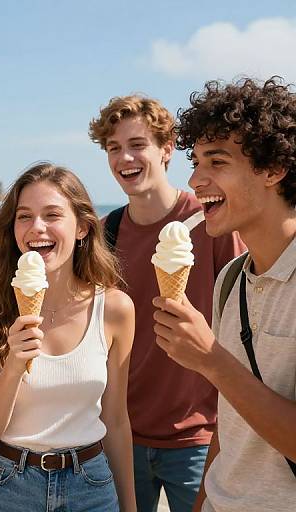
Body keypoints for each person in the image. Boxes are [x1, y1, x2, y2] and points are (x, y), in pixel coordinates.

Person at [88, 96, 245, 512]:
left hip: (199, 436)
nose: (125, 157)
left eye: (137, 144)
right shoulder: (107, 233)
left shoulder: (213, 220)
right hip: (121, 433)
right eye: (114, 148)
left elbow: (243, 320)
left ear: (167, 148)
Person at [153, 77, 296, 512]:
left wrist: (211, 360)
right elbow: (229, 422)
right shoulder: (231, 277)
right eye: (194, 162)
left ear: (273, 169)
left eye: (217, 162)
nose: (195, 180)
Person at [0, 163, 136, 512]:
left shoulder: (115, 309)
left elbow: (116, 420)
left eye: (52, 215)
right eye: (24, 216)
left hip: (91, 485)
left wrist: (130, 506)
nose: (36, 228)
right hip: (7, 486)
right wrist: (13, 366)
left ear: (83, 228)